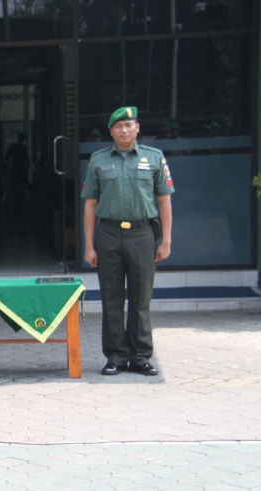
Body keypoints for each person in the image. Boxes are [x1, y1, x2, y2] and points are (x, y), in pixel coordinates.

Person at [81, 106, 174, 376]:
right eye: (118, 126)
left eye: (129, 125)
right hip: (107, 234)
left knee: (140, 298)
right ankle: (116, 357)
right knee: (111, 299)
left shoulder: (153, 158)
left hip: (143, 233)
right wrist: (89, 244)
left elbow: (164, 200)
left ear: (137, 128)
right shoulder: (98, 160)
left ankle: (141, 356)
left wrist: (165, 240)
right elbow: (90, 205)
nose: (124, 130)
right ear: (111, 131)